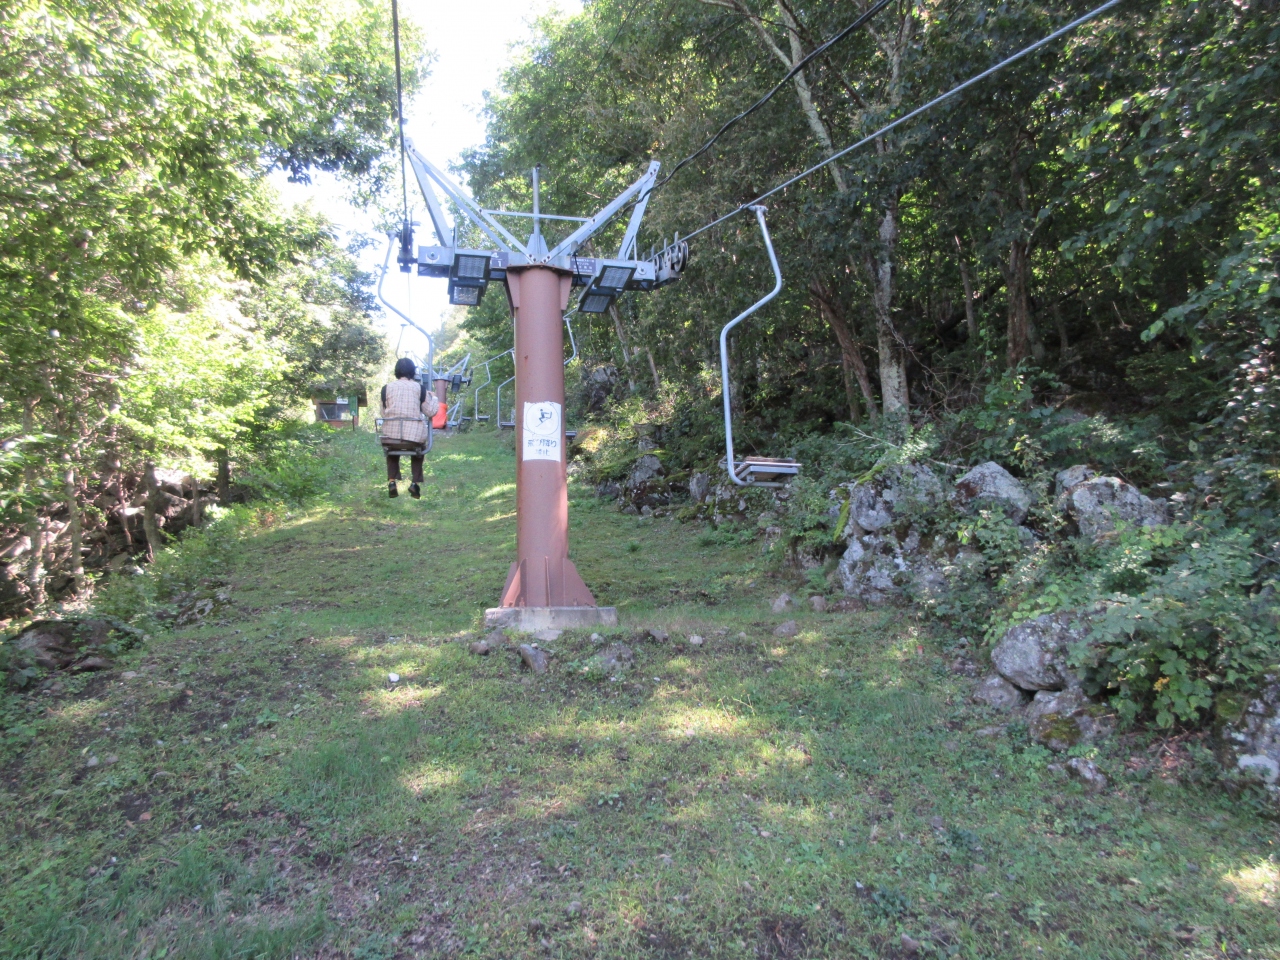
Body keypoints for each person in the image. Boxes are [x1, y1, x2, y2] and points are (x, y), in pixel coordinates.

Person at [380, 357, 439, 499]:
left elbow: (383, 413)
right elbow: (430, 412)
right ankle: (415, 483)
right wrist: (434, 398)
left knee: (392, 446)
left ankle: (392, 481)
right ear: (413, 372)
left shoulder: (386, 388)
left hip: (391, 435)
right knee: (419, 449)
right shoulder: (420, 389)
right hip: (414, 438)